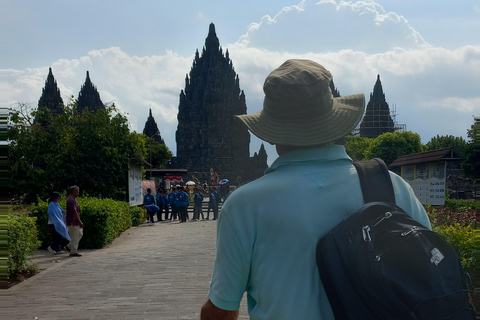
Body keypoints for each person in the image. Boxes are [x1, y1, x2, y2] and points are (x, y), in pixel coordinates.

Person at [200, 59, 431, 319]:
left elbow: (222, 308)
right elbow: (430, 276)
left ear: (271, 133)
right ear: (334, 122)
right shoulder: (394, 188)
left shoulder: (244, 205)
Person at [66, 185, 84, 257]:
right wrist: (80, 221)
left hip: (74, 221)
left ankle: (70, 246)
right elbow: (74, 212)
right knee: (75, 236)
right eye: (77, 192)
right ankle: (73, 251)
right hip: (72, 221)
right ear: (73, 192)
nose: (78, 193)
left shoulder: (72, 199)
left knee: (79, 234)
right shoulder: (71, 200)